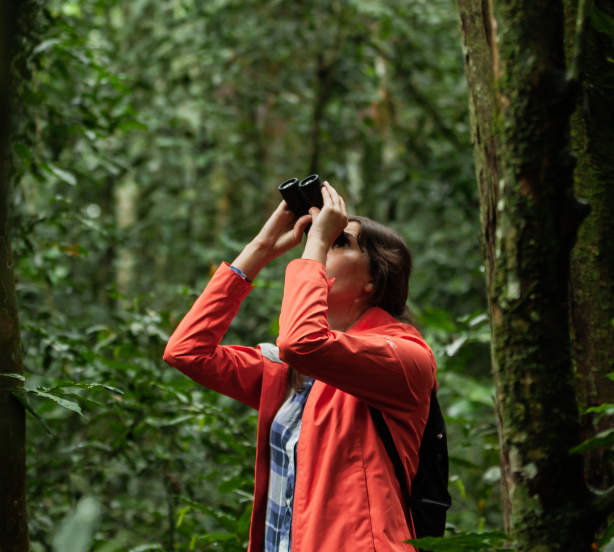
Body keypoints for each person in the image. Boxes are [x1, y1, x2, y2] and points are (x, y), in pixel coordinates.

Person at [163, 182, 437, 552]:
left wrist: (316, 243)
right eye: (321, 240)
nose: (319, 246)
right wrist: (260, 249)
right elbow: (187, 352)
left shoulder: (405, 357)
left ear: (374, 278)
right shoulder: (292, 372)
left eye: (339, 242)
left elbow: (301, 342)